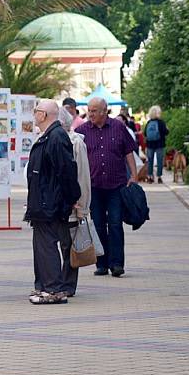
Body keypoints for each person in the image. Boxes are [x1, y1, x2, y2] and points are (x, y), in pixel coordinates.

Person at [24, 99, 81, 304]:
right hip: (43, 203)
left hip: (50, 204)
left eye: (36, 110)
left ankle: (54, 289)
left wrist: (72, 198)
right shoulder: (48, 136)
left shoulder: (56, 137)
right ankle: (44, 286)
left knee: (47, 246)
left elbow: (67, 171)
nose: (33, 114)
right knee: (42, 245)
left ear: (44, 115)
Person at [77, 97, 138, 278]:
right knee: (97, 225)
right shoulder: (82, 132)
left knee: (115, 224)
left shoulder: (118, 128)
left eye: (94, 111)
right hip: (94, 186)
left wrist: (134, 176)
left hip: (116, 185)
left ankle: (117, 264)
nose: (91, 114)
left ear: (105, 111)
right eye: (89, 110)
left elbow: (128, 152)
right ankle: (101, 263)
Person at [57, 107, 91, 298]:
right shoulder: (46, 141)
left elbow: (83, 177)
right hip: (53, 205)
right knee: (58, 244)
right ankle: (58, 281)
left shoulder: (76, 143)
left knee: (68, 245)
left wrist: (82, 207)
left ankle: (68, 284)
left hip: (71, 204)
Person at [143, 105, 169, 184]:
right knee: (159, 160)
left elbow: (145, 133)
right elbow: (166, 132)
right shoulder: (161, 122)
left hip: (150, 144)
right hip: (159, 144)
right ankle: (159, 177)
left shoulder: (149, 122)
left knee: (150, 160)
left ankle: (150, 176)